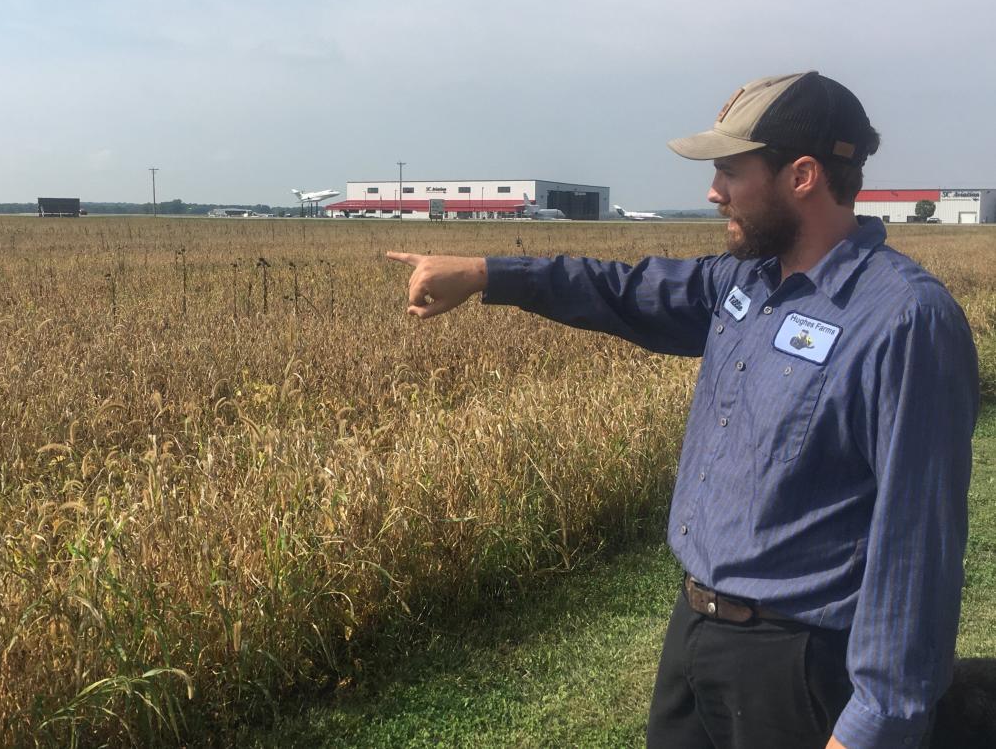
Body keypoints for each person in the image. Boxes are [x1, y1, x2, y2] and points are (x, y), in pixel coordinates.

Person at [386, 72, 977, 749]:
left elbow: (917, 551)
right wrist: (489, 272)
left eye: (729, 169)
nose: (713, 190)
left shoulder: (903, 320)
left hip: (798, 664)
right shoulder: (747, 281)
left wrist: (875, 725)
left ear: (803, 175)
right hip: (695, 634)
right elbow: (625, 289)